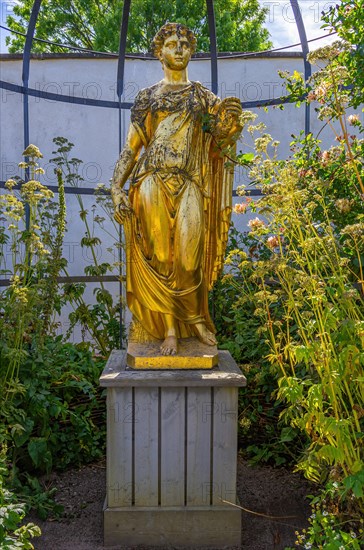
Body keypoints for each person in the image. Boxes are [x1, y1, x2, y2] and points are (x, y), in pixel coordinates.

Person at [111, 22, 242, 356]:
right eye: (171, 43)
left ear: (191, 51)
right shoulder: (148, 98)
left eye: (184, 43)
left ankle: (196, 318)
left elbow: (221, 144)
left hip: (190, 182)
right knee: (163, 258)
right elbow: (132, 147)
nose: (179, 48)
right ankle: (170, 329)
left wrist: (232, 123)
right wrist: (116, 187)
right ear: (160, 52)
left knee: (189, 257)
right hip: (152, 181)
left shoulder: (203, 97)